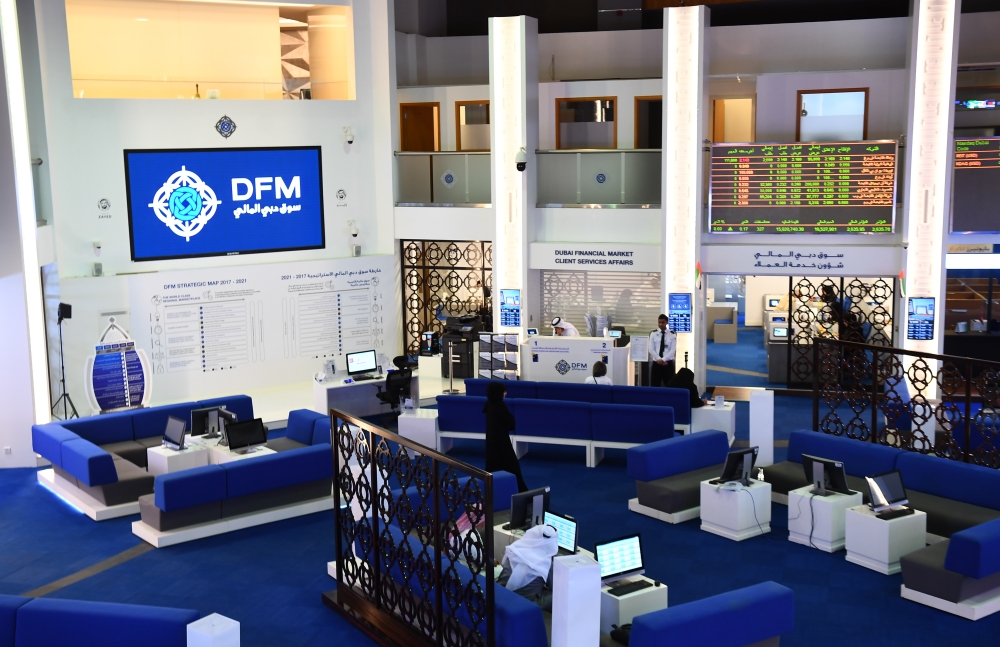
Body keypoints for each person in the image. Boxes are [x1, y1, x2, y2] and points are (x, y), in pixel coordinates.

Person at [483, 381, 528, 492]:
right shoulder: (500, 406)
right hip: (502, 443)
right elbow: (510, 424)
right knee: (512, 467)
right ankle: (520, 493)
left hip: (492, 443)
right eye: (503, 391)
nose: (505, 393)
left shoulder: (489, 404)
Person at [648, 313, 676, 386]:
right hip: (656, 364)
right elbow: (651, 349)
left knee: (670, 385)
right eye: (659, 322)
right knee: (655, 385)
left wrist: (663, 360)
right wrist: (659, 360)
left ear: (667, 322)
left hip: (668, 364)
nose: (660, 324)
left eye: (662, 322)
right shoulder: (653, 334)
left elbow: (672, 350)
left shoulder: (672, 334)